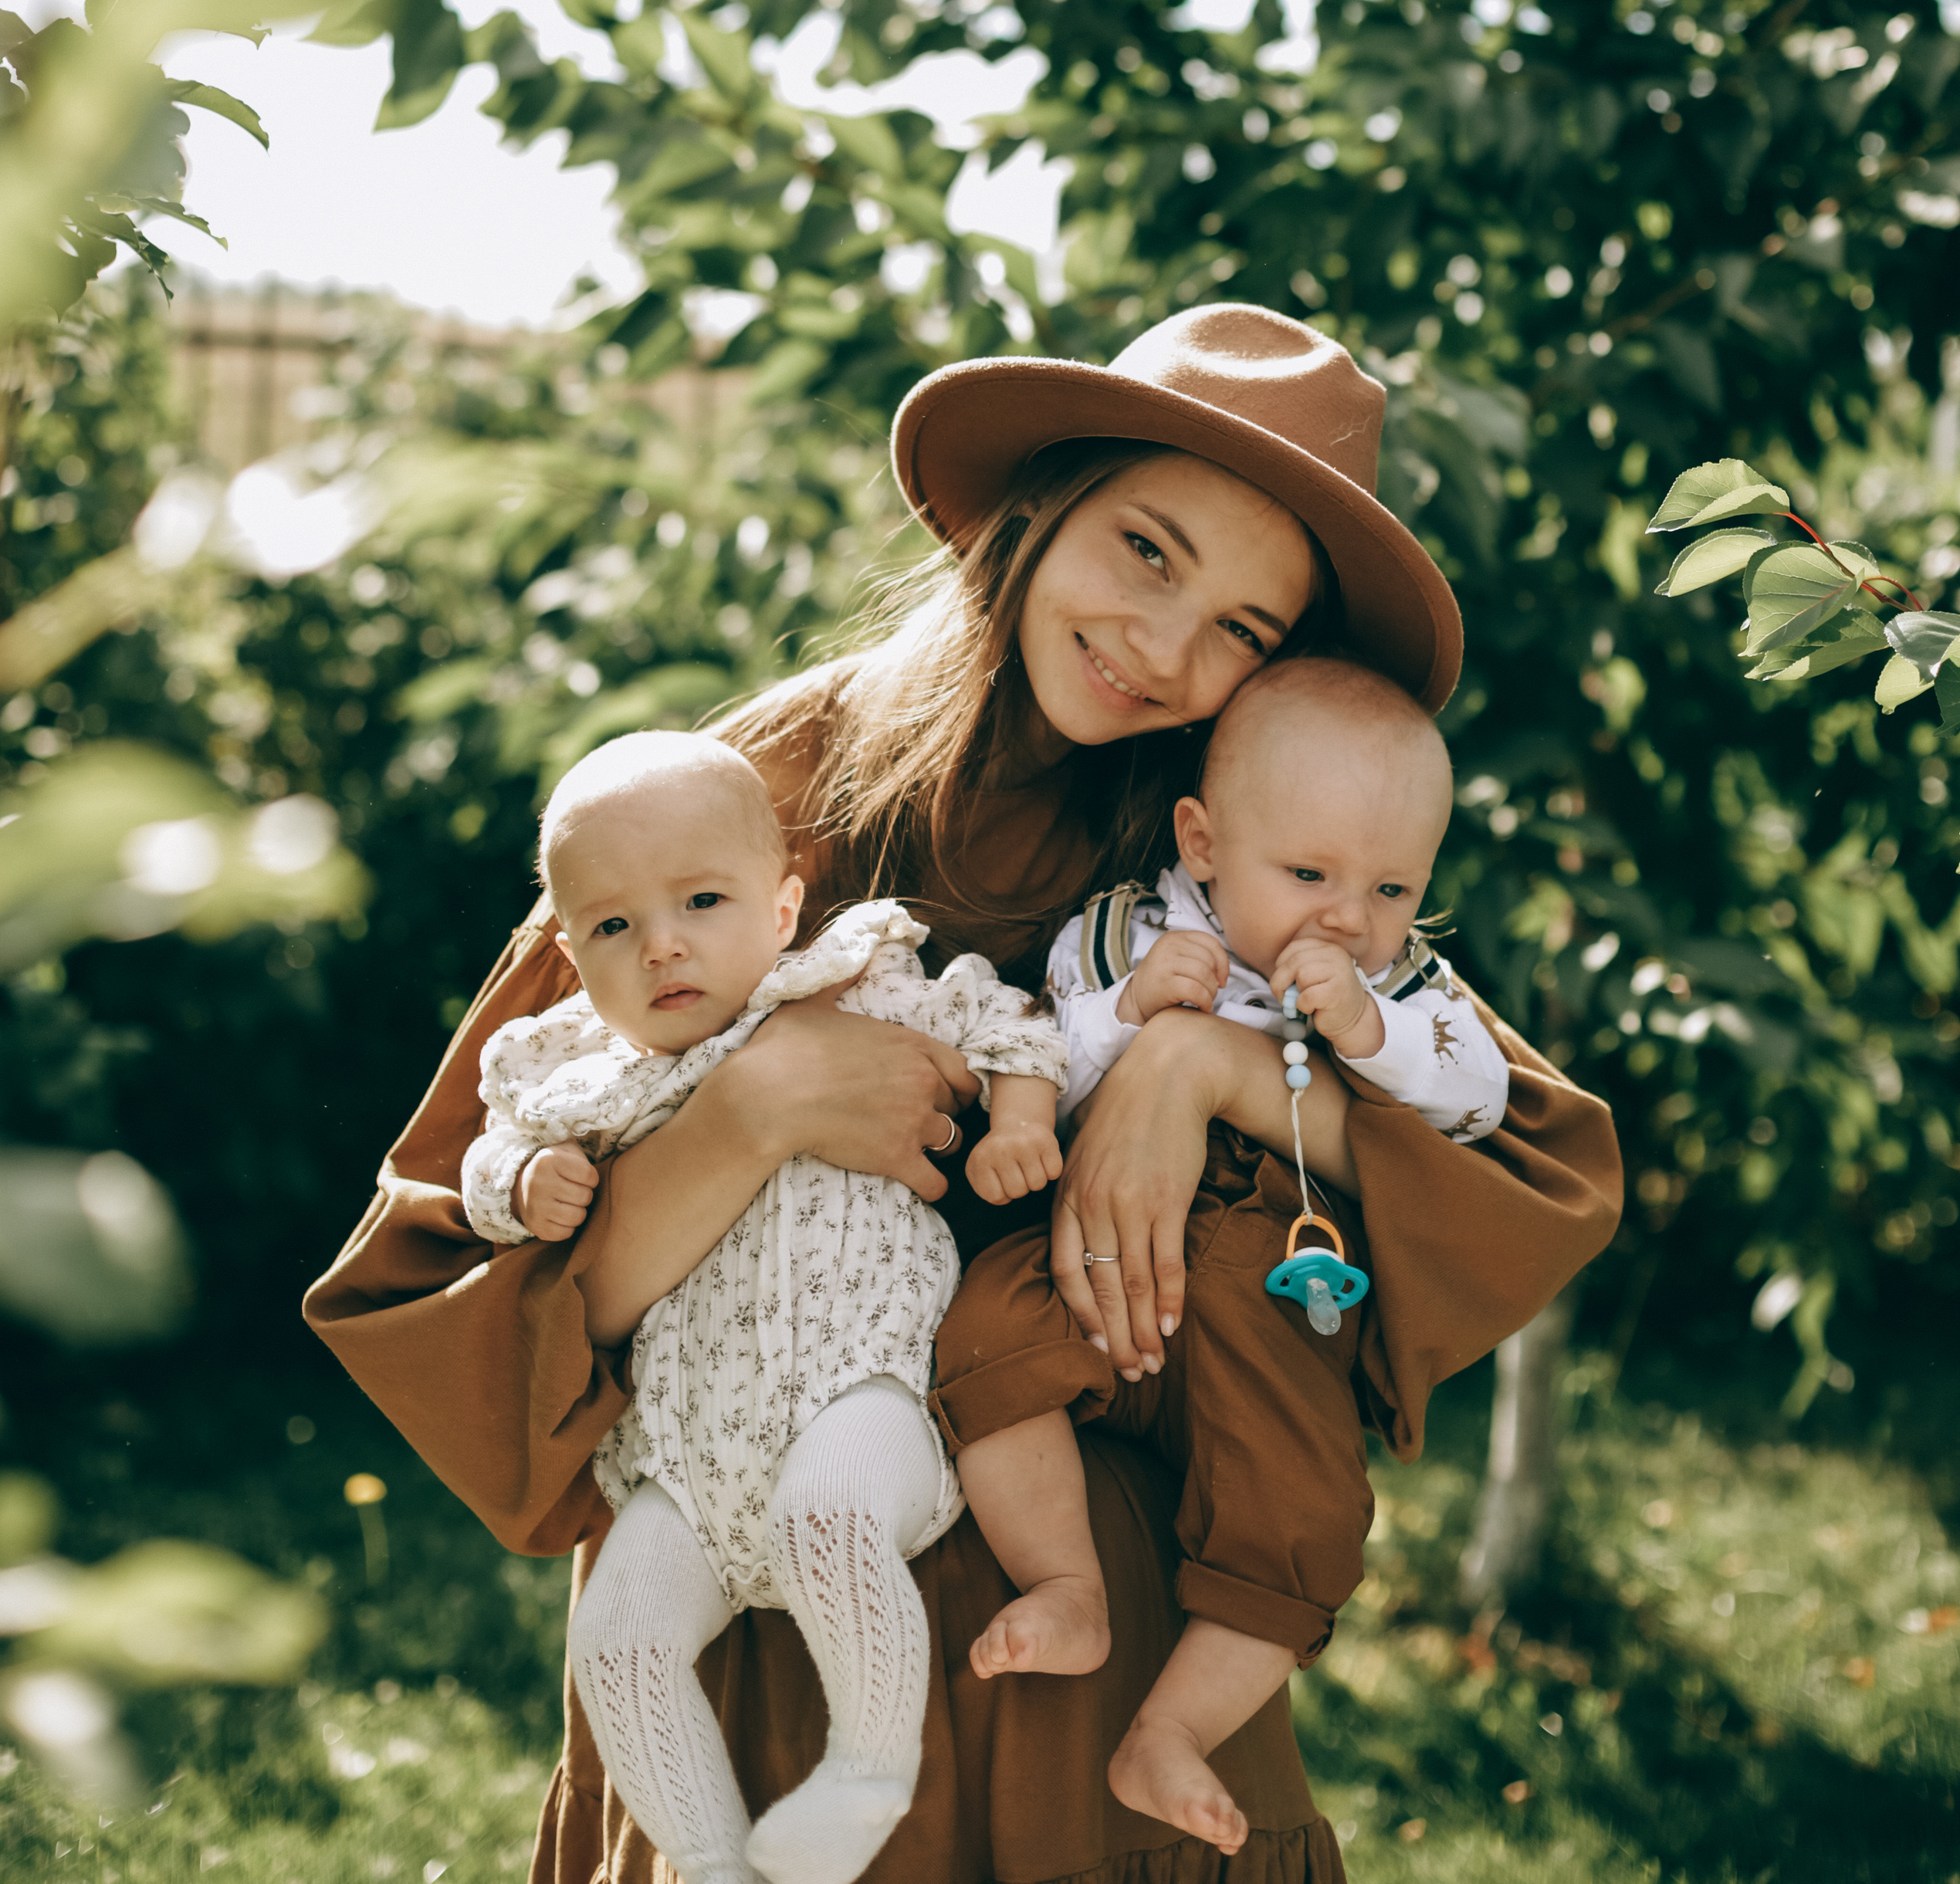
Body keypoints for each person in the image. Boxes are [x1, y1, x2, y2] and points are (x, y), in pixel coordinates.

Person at [307, 304, 1623, 1884]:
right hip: (762, 1649)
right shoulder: (744, 803)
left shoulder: (1230, 846)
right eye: (1145, 550)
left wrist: (1196, 1071)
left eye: (1244, 630)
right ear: (1038, 502)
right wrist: (756, 1107)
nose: (1166, 648)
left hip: (1097, 1655)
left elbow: (1516, 1165)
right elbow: (473, 1281)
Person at [459, 728, 1068, 1884]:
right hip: (687, 1453)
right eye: (613, 926)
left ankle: (868, 1771)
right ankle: (709, 1859)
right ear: (571, 950)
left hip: (861, 1386)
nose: (663, 946)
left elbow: (1010, 1025)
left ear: (785, 905)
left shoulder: (853, 983)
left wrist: (1024, 1119)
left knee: (828, 1525)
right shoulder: (582, 1069)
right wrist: (527, 1185)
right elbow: (483, 1172)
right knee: (617, 1642)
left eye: (700, 899)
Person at [937, 654, 1511, 1852]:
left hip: (1269, 1292)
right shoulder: (1122, 935)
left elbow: (1479, 1100)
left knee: (1303, 1508)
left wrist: (1376, 1030)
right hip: (1095, 1261)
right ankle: (1069, 1584)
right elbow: (1038, 1051)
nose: (1347, 917)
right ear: (1202, 842)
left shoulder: (1401, 985)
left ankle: (1174, 1732)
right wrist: (1131, 1013)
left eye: (1392, 887)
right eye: (1308, 874)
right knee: (983, 1338)